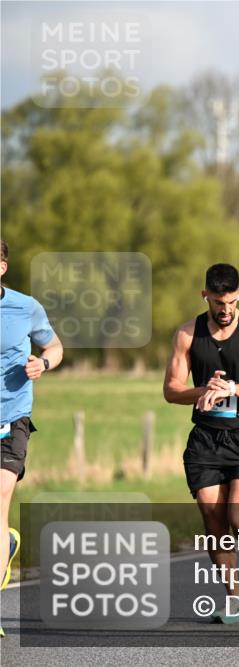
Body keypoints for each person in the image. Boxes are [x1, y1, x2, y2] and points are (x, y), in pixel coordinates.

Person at [163, 263, 239, 624]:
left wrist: (232, 388)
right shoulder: (187, 334)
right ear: (205, 296)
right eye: (219, 302)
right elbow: (171, 389)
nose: (226, 309)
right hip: (205, 440)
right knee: (213, 520)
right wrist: (204, 390)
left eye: (232, 301)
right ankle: (235, 597)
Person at [0, 239, 64, 638]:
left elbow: (54, 346)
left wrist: (43, 362)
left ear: (2, 267)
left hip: (11, 419)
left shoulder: (25, 307)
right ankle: (6, 544)